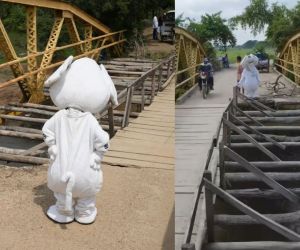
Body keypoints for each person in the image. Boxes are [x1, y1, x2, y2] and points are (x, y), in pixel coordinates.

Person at [42, 56, 118, 224]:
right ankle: (84, 212)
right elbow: (104, 141)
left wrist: (52, 146)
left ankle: (63, 211)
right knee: (86, 195)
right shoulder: (90, 120)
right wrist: (97, 156)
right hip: (86, 171)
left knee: (61, 192)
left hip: (61, 169)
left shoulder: (59, 116)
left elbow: (46, 130)